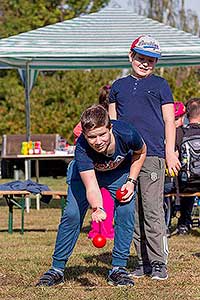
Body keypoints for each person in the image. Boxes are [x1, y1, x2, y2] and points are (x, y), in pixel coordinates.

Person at [36, 104, 146, 287]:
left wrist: (131, 181)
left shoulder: (127, 133)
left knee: (126, 212)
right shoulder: (82, 149)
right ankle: (56, 269)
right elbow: (92, 186)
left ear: (110, 127)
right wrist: (98, 207)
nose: (98, 141)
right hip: (84, 176)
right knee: (72, 214)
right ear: (84, 136)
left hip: (118, 174)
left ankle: (118, 269)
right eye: (92, 137)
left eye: (102, 134)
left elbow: (141, 152)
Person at [109, 35, 180, 280]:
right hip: (126, 158)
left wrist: (169, 151)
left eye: (150, 60)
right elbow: (113, 125)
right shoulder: (117, 87)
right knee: (131, 210)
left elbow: (170, 121)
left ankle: (159, 262)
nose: (145, 63)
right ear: (131, 57)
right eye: (141, 58)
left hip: (153, 156)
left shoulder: (161, 85)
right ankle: (142, 261)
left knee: (151, 210)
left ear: (156, 63)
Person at [73, 85, 114, 240]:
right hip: (96, 164)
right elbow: (79, 132)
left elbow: (76, 131)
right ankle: (104, 230)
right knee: (105, 197)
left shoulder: (91, 115)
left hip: (93, 164)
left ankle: (97, 230)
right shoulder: (102, 118)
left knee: (98, 196)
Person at [175, 98, 200, 234]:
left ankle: (183, 224)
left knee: (186, 183)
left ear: (186, 115)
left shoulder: (180, 133)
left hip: (186, 183)